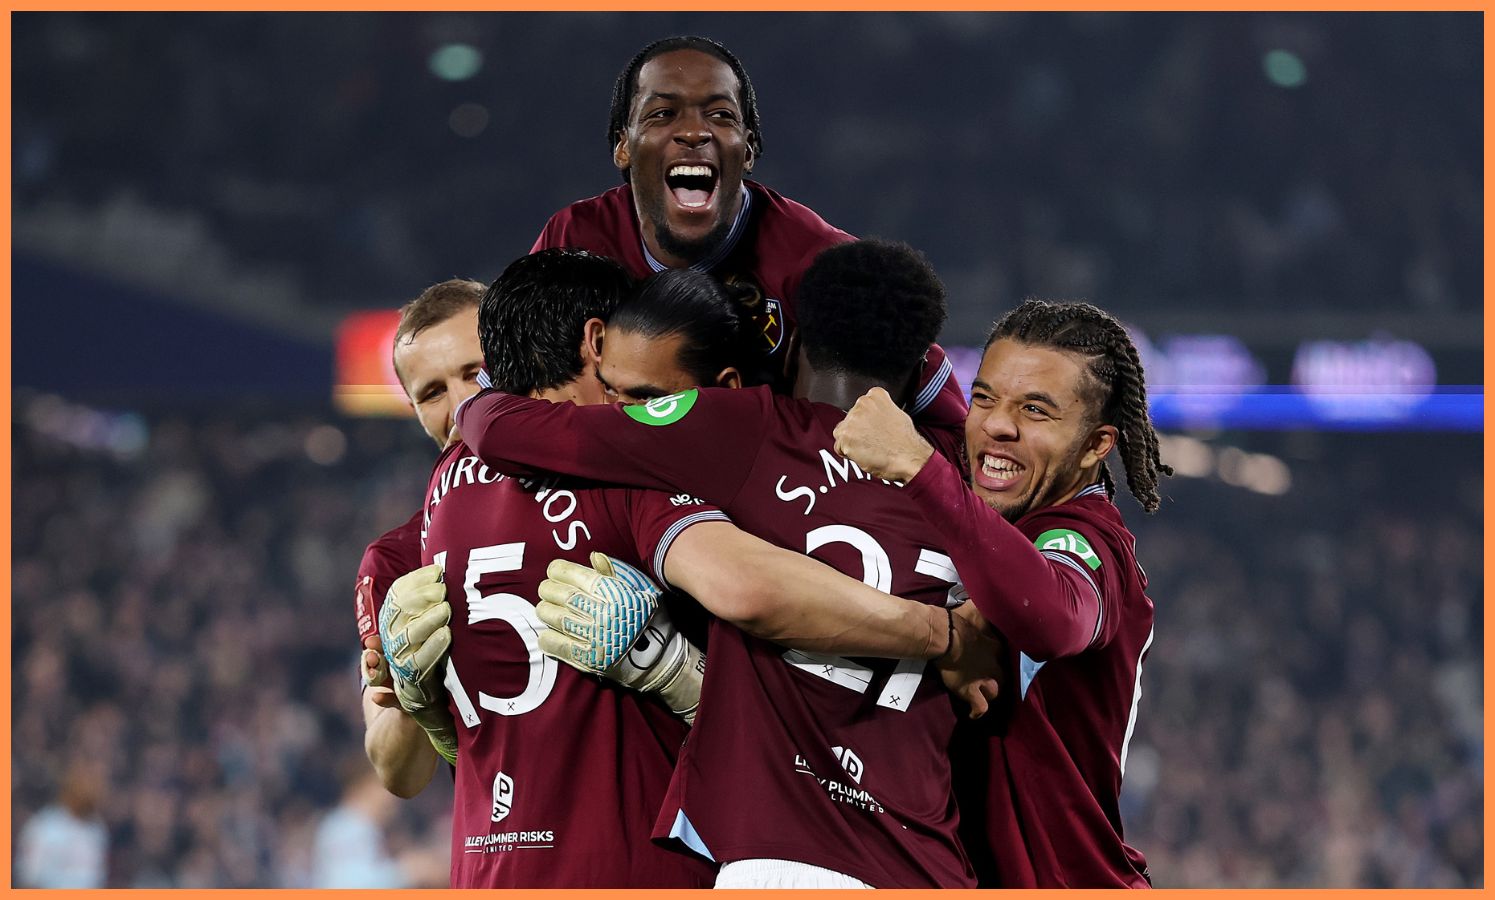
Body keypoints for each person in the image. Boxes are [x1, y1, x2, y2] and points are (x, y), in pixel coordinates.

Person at [385, 248, 991, 887]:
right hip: (668, 866)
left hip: (489, 871)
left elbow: (400, 769)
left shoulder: (428, 513)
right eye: (434, 392)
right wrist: (945, 634)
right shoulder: (632, 475)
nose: (631, 408)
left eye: (469, 376)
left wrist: (429, 716)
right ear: (597, 342)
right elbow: (748, 591)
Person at [830, 298, 1172, 887]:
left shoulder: (1085, 539)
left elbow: (1054, 615)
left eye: (1035, 410)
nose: (997, 425)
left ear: (1096, 445)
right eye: (984, 398)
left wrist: (919, 466)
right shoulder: (988, 514)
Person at [532, 35, 967, 422]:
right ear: (623, 145)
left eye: (720, 115)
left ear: (749, 149)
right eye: (663, 113)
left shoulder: (822, 266)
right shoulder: (574, 241)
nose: (693, 132)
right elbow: (509, 394)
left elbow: (950, 434)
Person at [354, 278, 485, 795]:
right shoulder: (397, 560)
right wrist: (411, 693)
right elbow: (397, 773)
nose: (462, 405)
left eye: (475, 373)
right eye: (433, 393)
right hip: (496, 839)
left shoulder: (601, 491)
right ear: (414, 412)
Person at [16, 762, 109, 888]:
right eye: (83, 786)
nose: (90, 792)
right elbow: (27, 875)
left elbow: (96, 875)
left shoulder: (96, 829)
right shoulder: (44, 827)